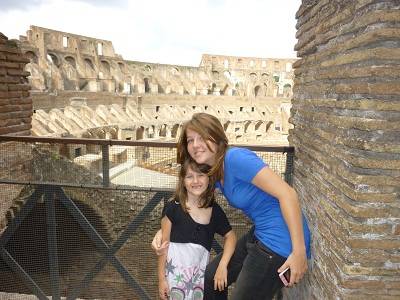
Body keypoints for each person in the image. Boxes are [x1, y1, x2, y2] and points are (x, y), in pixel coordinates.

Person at [153, 112, 311, 300]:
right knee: (212, 277)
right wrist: (163, 230)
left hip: (281, 242)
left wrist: (299, 252)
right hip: (260, 233)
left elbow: (288, 194)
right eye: (190, 140)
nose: (195, 145)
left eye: (202, 137)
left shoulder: (236, 158)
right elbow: (187, 199)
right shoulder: (214, 171)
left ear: (217, 137)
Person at [158, 158, 237, 300]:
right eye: (189, 176)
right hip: (173, 281)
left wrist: (222, 265)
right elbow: (163, 249)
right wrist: (161, 279)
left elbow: (231, 236)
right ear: (182, 180)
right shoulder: (172, 208)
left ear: (209, 178)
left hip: (198, 282)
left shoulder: (214, 211)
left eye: (200, 175)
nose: (195, 181)